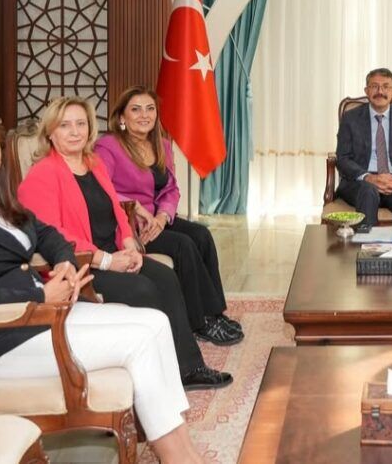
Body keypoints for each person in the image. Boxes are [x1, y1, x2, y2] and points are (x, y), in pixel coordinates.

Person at [0, 114, 205, 463]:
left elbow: (49, 235)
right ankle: (179, 459)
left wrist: (65, 263)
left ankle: (185, 450)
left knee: (156, 322)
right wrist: (39, 295)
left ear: (0, 156)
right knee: (140, 341)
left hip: (40, 316)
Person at [18, 96, 234, 390]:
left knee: (166, 277)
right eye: (65, 125)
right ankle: (158, 373)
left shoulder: (93, 163)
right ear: (50, 132)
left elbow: (117, 210)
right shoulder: (41, 174)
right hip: (84, 267)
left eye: (81, 124)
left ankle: (189, 368)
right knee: (143, 289)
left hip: (117, 252)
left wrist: (129, 243)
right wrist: (107, 260)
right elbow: (53, 235)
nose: (75, 132)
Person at [95, 86, 242, 345]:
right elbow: (99, 186)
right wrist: (134, 206)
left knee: (201, 235)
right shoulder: (108, 146)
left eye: (150, 109)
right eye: (136, 109)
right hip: (127, 225)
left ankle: (214, 313)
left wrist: (163, 217)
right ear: (122, 117)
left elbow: (171, 189)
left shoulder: (162, 145)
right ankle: (198, 322)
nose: (144, 115)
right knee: (183, 245)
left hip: (155, 219)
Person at [335, 68, 392, 227]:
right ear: (366, 91)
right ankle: (367, 241)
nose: (380, 92)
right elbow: (343, 158)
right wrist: (369, 178)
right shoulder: (350, 118)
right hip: (361, 182)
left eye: (385, 86)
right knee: (368, 192)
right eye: (374, 86)